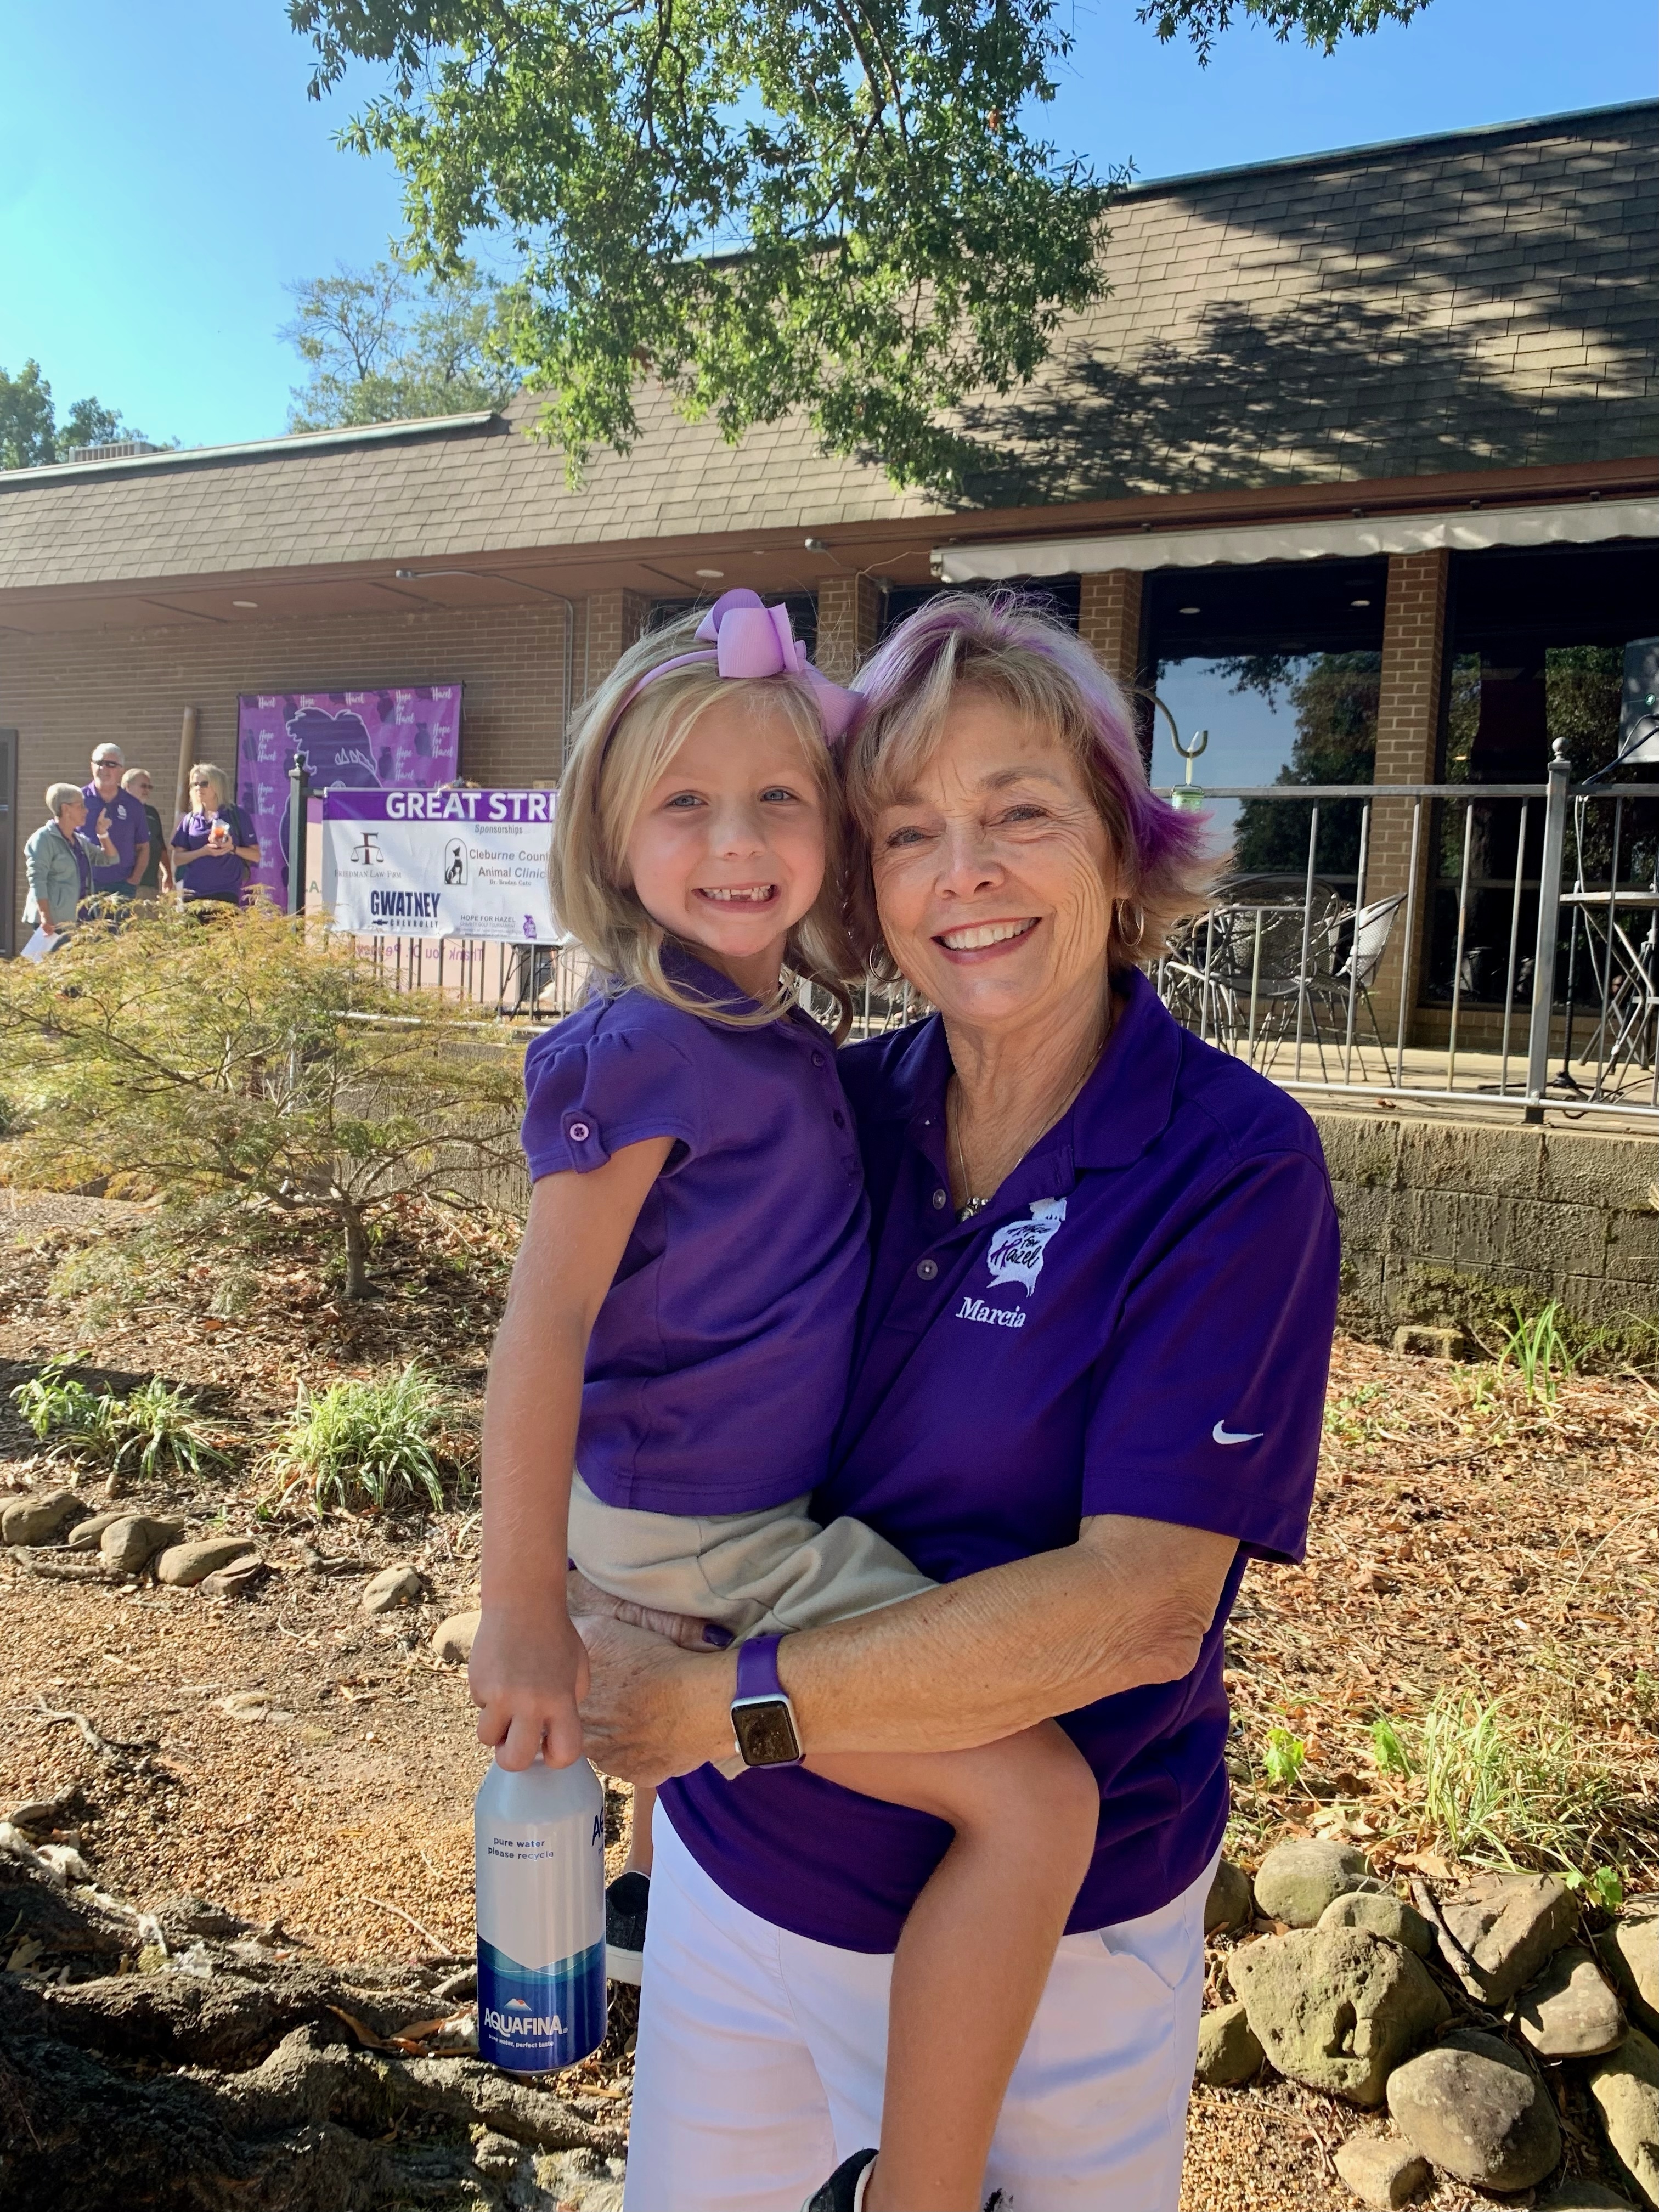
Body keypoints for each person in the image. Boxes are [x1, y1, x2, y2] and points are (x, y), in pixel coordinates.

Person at [569, 593, 1343, 2212]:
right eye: (910, 832)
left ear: (1122, 849)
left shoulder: (1229, 1168)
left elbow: (1135, 1616)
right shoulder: (829, 1110)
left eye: (1020, 815)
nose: (964, 873)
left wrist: (716, 1711)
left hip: (1049, 1972)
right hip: (736, 1890)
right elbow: (626, 1375)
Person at [472, 590, 1101, 2212]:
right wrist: (521, 1608)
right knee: (1038, 1803)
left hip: (730, 1518)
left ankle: (646, 1901)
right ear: (611, 838)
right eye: (684, 804)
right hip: (707, 1534)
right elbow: (543, 1329)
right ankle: (921, 2192)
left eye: (777, 800)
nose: (737, 842)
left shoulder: (778, 1034)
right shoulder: (638, 1045)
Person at [22, 783, 119, 945]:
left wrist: (103, 834)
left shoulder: (79, 841)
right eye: (81, 806)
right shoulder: (43, 840)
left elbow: (111, 858)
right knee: (52, 962)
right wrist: (46, 918)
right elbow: (37, 881)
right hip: (55, 923)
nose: (86, 811)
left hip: (81, 920)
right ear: (66, 809)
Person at [171, 763, 259, 906]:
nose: (199, 788)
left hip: (225, 892)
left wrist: (232, 848)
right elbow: (177, 859)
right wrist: (203, 852)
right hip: (192, 893)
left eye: (204, 784)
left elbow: (256, 855)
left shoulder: (237, 815)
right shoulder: (190, 819)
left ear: (217, 785)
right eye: (195, 784)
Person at [82, 743, 149, 904]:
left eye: (110, 764)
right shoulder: (78, 800)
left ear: (121, 770)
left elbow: (144, 847)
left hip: (121, 886)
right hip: (84, 884)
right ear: (92, 766)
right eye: (99, 763)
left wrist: (134, 880)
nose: (104, 769)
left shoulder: (133, 805)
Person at [121, 767, 173, 899]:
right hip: (125, 885)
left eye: (150, 787)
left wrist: (168, 874)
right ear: (128, 786)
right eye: (143, 786)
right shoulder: (119, 811)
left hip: (150, 886)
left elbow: (160, 846)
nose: (147, 791)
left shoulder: (152, 813)